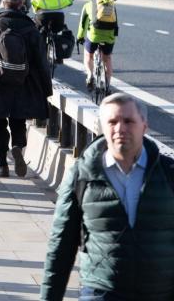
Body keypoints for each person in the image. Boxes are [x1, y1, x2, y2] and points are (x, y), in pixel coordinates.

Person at [41, 93, 174, 301]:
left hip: (158, 293)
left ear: (144, 126)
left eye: (128, 121)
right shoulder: (82, 175)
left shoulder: (168, 174)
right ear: (102, 127)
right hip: (101, 292)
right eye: (112, 122)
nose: (120, 129)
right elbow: (61, 247)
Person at [0, 0, 52, 178]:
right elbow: (42, 62)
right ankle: (18, 146)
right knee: (18, 121)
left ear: (2, 4)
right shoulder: (31, 29)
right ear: (21, 5)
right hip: (24, 84)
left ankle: (2, 166)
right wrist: (46, 89)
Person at [76, 0, 119, 91]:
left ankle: (90, 75)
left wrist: (80, 37)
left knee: (88, 55)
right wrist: (113, 37)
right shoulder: (111, 5)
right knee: (107, 58)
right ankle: (108, 85)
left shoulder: (88, 5)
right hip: (109, 36)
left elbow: (83, 24)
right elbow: (116, 24)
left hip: (94, 35)